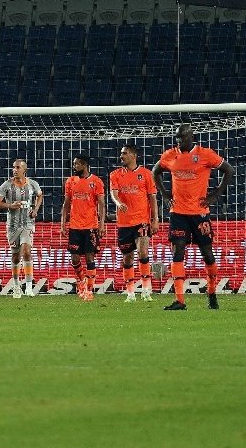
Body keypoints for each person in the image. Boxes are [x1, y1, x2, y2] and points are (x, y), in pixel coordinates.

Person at [153, 124, 234, 311]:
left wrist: (215, 195)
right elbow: (155, 172)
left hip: (199, 213)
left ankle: (212, 294)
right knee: (177, 251)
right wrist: (165, 195)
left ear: (191, 137)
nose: (178, 141)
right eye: (176, 138)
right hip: (178, 213)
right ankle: (180, 300)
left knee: (207, 254)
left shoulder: (205, 154)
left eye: (182, 137)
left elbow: (229, 170)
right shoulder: (169, 155)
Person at [108, 143, 158, 302]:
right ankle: (130, 293)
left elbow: (152, 198)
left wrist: (155, 219)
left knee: (143, 253)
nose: (121, 156)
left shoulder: (146, 174)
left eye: (124, 153)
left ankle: (146, 290)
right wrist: (118, 203)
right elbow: (113, 193)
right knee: (127, 258)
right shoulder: (115, 174)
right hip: (124, 222)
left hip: (142, 220)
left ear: (133, 156)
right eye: (121, 153)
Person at [0, 159, 44, 298]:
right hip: (13, 226)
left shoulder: (32, 184)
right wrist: (10, 205)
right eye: (13, 168)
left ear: (24, 170)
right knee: (16, 257)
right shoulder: (7, 185)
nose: (14, 170)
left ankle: (28, 287)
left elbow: (40, 195)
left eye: (17, 168)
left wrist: (36, 209)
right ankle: (16, 286)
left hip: (27, 224)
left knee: (27, 251)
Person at [60, 154, 105, 301]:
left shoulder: (96, 181)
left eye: (77, 164)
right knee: (74, 258)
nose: (74, 167)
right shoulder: (70, 181)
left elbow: (102, 205)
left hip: (90, 226)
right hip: (74, 226)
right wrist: (63, 223)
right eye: (74, 164)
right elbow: (66, 204)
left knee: (90, 257)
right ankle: (81, 282)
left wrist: (102, 224)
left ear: (84, 165)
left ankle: (89, 290)